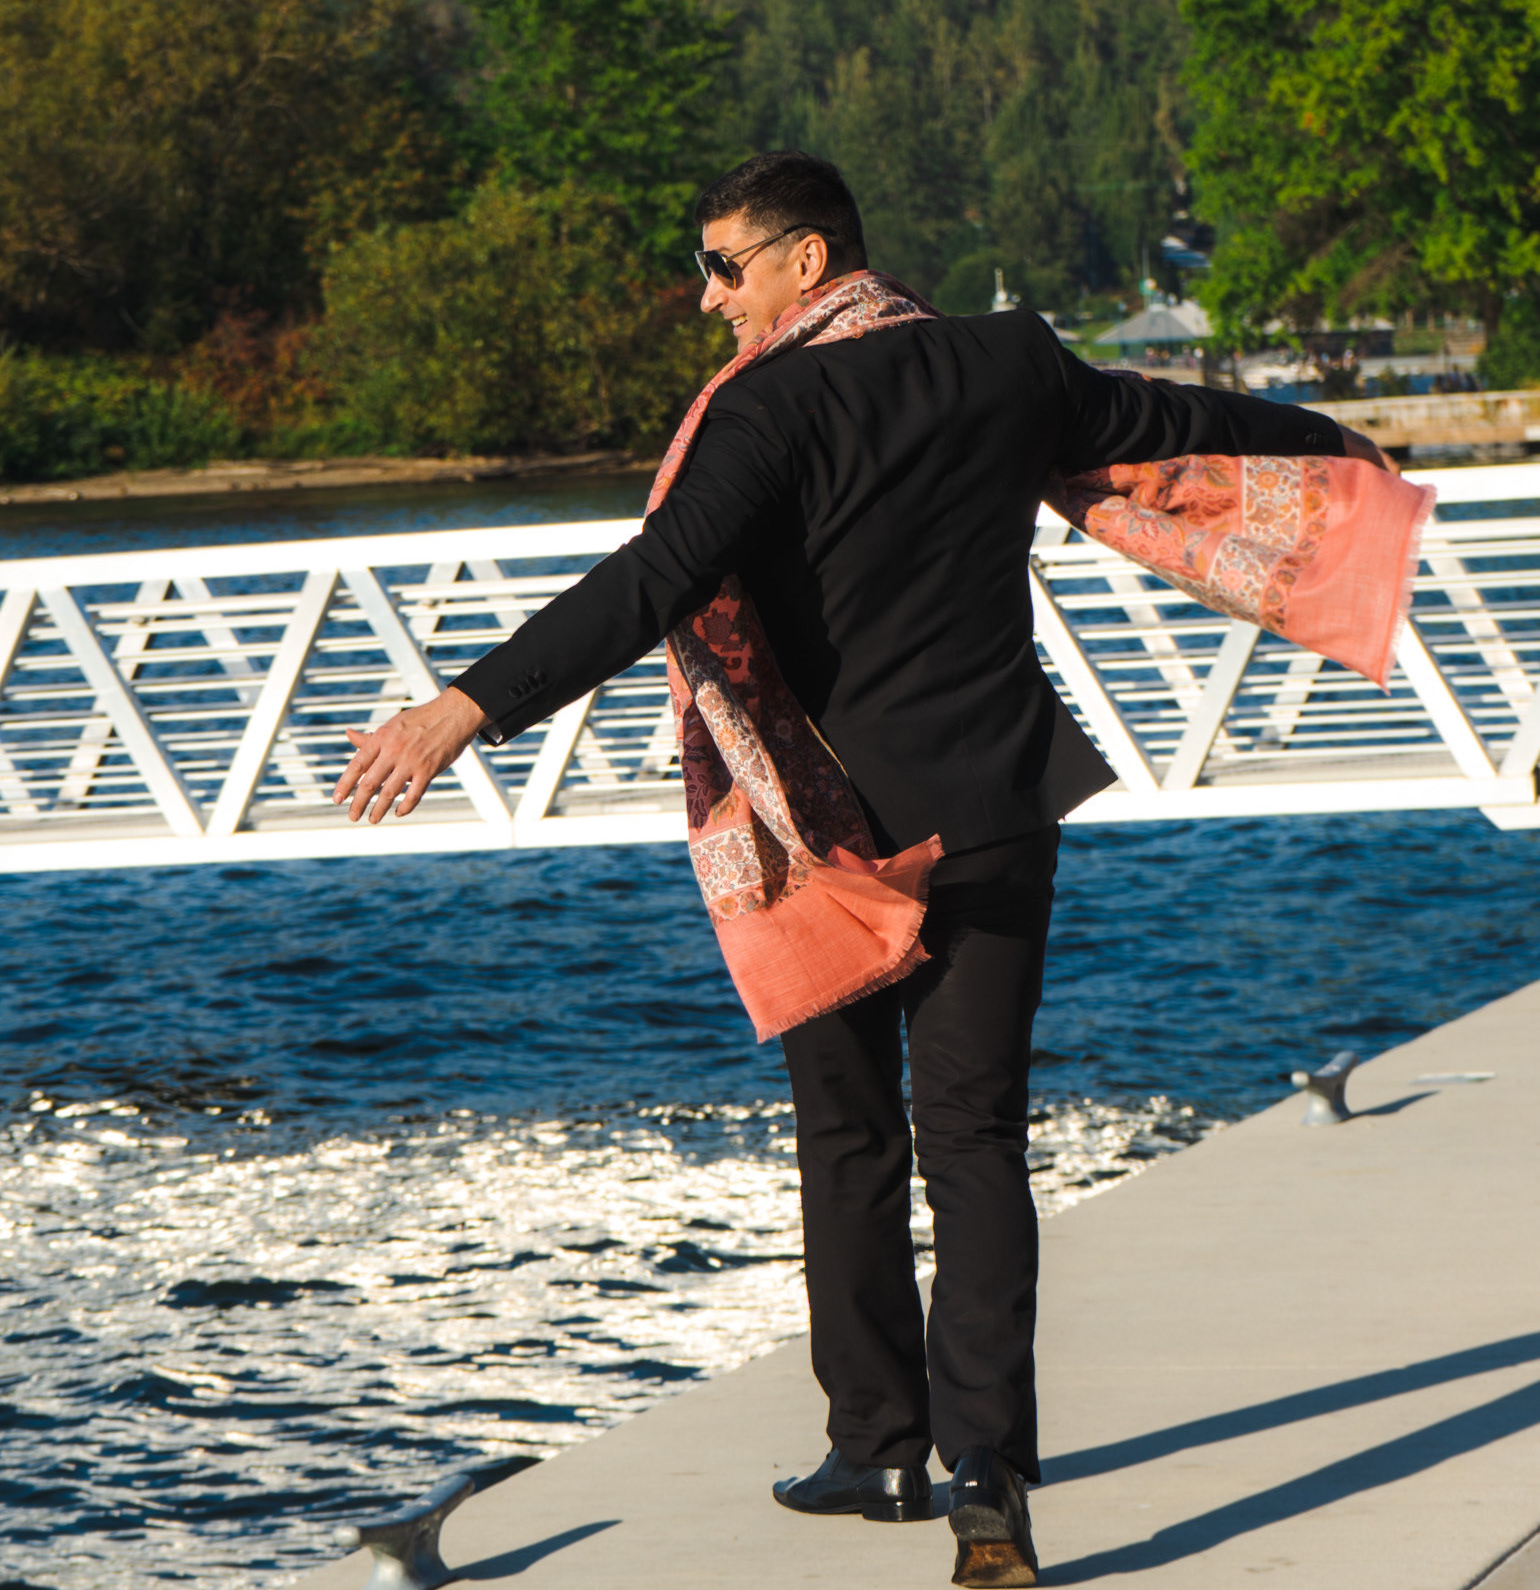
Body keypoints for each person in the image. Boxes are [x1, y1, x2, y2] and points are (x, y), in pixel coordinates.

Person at [334, 152, 1392, 1589]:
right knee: (977, 1142)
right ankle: (990, 1483)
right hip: (998, 805)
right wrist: (1335, 444)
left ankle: (879, 1447)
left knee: (849, 1139)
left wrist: (464, 707)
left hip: (821, 829)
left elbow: (653, 580)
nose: (707, 297)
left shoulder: (768, 407)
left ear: (808, 258)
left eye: (723, 266)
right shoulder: (1007, 362)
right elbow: (1179, 418)